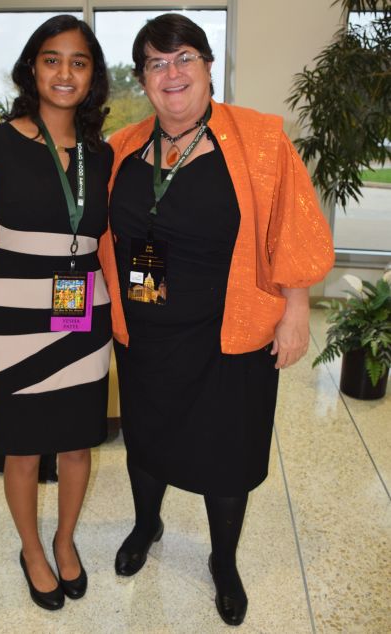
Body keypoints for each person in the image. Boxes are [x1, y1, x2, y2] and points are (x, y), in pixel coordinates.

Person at [98, 14, 334, 627]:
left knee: (228, 451)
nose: (170, 73)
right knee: (146, 440)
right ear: (142, 78)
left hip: (234, 329)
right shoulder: (124, 147)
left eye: (183, 58)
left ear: (208, 67)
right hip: (147, 332)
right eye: (155, 62)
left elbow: (292, 224)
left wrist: (297, 309)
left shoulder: (258, 139)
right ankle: (147, 525)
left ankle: (222, 562)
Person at [0, 15, 112, 611]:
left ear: (92, 75)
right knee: (21, 447)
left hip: (82, 314)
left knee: (77, 445)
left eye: (78, 61)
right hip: (12, 319)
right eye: (52, 59)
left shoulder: (101, 154)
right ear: (32, 67)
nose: (64, 72)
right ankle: (31, 549)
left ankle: (65, 540)